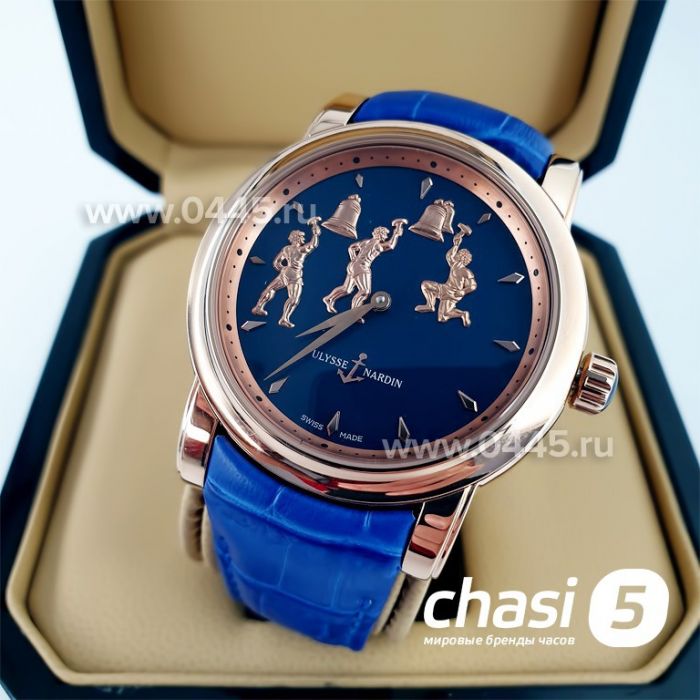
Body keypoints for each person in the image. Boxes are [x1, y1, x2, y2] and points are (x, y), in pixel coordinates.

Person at [322, 218, 406, 313]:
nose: (386, 236)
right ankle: (354, 313)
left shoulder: (366, 242)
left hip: (353, 265)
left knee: (347, 289)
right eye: (385, 234)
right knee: (364, 291)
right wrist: (396, 233)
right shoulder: (376, 244)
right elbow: (390, 245)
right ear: (380, 234)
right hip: (362, 266)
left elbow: (352, 247)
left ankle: (329, 298)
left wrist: (354, 259)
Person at [252, 217, 321, 328]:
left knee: (271, 288)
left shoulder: (286, 249)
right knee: (294, 298)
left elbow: (276, 263)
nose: (303, 239)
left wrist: (283, 269)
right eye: (302, 237)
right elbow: (313, 244)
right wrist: (315, 231)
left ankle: (258, 307)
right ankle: (284, 318)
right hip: (295, 275)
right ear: (297, 238)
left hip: (285, 272)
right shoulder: (301, 250)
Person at [414, 226, 476, 326]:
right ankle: (430, 305)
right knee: (425, 285)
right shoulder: (454, 265)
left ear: (462, 258)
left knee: (442, 317)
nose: (456, 255)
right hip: (445, 288)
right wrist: (456, 244)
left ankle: (463, 314)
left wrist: (463, 291)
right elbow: (449, 256)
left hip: (452, 294)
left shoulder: (466, 272)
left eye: (458, 254)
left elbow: (473, 285)